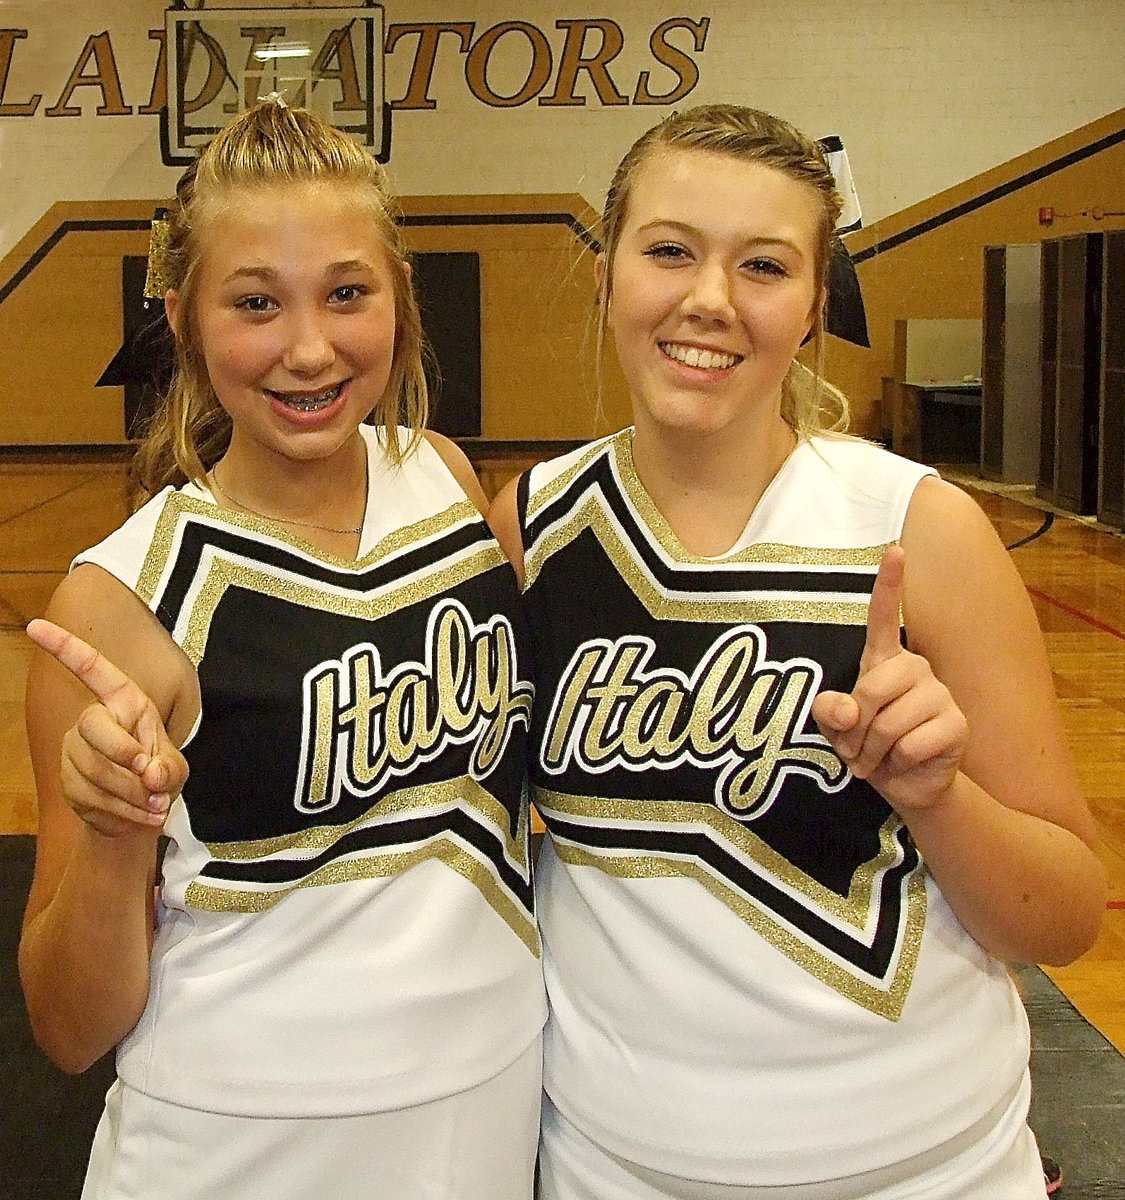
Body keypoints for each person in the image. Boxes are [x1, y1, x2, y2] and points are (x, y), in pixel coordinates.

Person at [490, 104, 1106, 1198]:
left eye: (763, 265)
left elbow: (1059, 917)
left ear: (817, 306)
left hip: (927, 1169)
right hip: (615, 1168)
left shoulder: (920, 527)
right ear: (608, 274)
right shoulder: (531, 528)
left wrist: (939, 795)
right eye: (670, 249)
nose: (708, 299)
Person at [20, 98, 544, 1200]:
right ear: (183, 314)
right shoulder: (118, 602)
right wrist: (117, 838)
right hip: (240, 1141)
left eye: (347, 293)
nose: (309, 348)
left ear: (400, 294)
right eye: (256, 302)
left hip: (491, 1102)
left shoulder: (443, 480)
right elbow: (68, 1029)